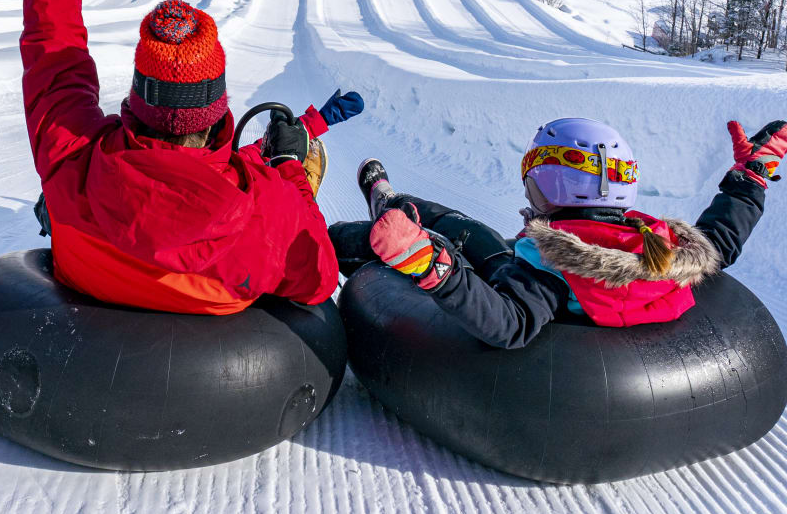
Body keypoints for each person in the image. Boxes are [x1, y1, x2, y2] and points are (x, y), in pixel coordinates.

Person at [2, 0, 354, 315]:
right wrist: (289, 169)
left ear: (139, 96)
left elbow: (52, 39)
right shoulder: (263, 207)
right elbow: (319, 276)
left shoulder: (71, 156)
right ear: (217, 108)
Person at [328, 116, 780, 349]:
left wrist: (434, 268)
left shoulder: (551, 263)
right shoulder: (664, 248)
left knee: (458, 232)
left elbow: (511, 325)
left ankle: (367, 217)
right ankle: (392, 203)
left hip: (522, 300)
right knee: (461, 228)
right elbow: (720, 240)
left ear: (548, 184)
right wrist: (751, 176)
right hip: (604, 302)